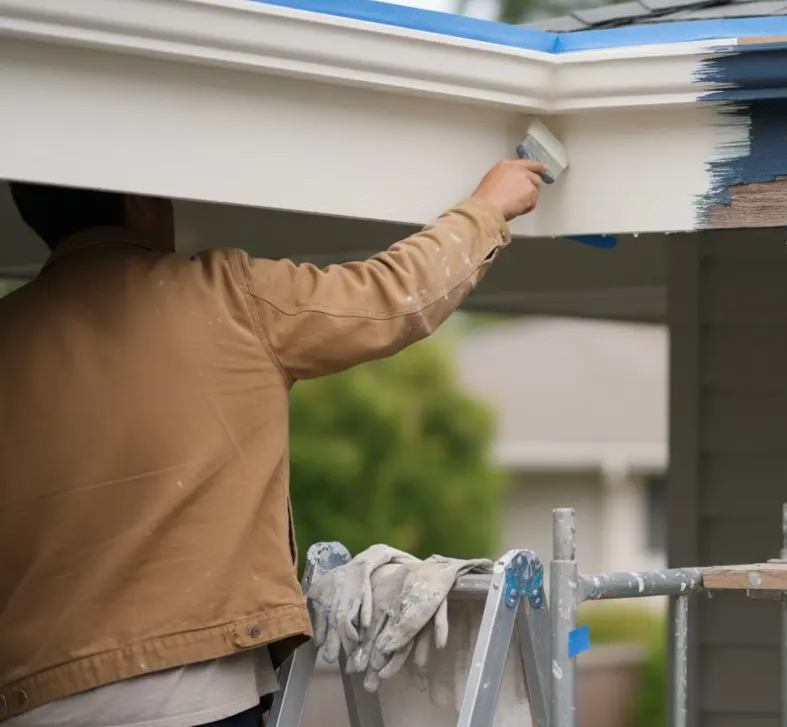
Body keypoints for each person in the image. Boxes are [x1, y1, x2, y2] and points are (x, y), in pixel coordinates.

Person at [0, 159, 548, 726]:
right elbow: (391, 296)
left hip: (31, 702)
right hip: (192, 699)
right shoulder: (225, 297)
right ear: (139, 202)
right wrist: (488, 207)